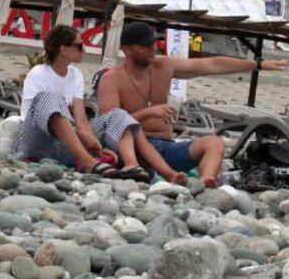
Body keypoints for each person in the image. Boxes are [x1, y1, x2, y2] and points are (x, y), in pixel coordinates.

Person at [98, 22, 289, 187]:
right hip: (134, 150)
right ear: (127, 49)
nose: (153, 47)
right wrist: (148, 112)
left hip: (168, 147)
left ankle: (205, 182)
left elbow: (212, 65)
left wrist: (257, 64)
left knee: (213, 142)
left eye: (154, 42)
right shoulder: (112, 79)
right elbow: (110, 126)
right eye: (146, 45)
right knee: (132, 139)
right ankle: (159, 174)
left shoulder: (163, 65)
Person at [17, 24, 186, 183]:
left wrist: (95, 143)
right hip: (37, 142)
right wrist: (83, 137)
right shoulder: (38, 74)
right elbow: (31, 116)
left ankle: (134, 166)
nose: (84, 49)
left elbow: (81, 119)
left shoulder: (75, 74)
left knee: (118, 114)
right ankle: (89, 162)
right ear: (63, 49)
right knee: (49, 97)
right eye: (79, 45)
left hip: (66, 146)